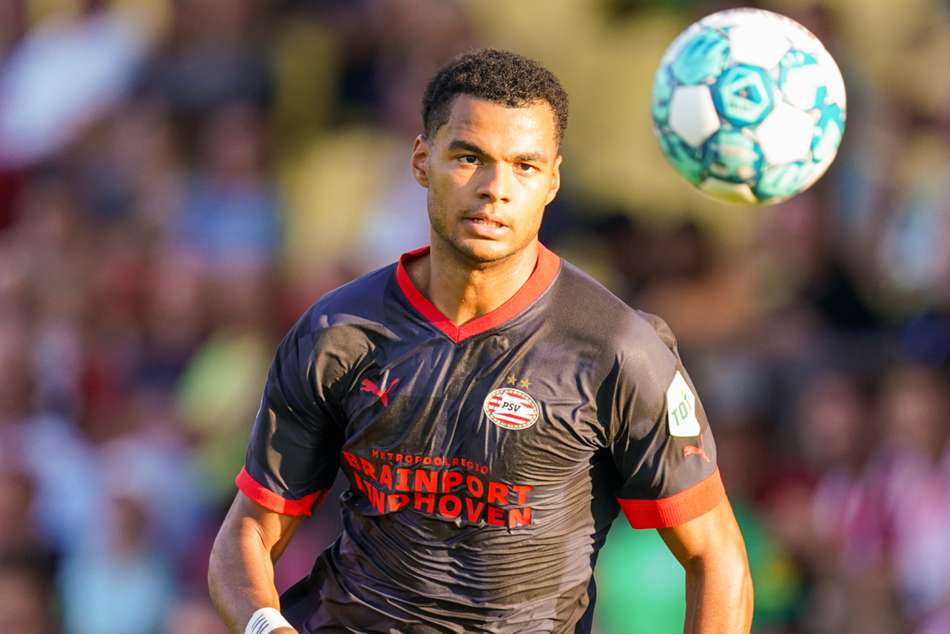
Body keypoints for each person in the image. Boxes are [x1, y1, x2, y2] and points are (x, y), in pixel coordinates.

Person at [208, 48, 753, 634]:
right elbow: (250, 531)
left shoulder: (617, 349)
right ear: (422, 161)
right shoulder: (337, 333)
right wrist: (266, 626)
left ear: (553, 181)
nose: (496, 188)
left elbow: (716, 557)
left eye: (525, 166)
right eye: (470, 158)